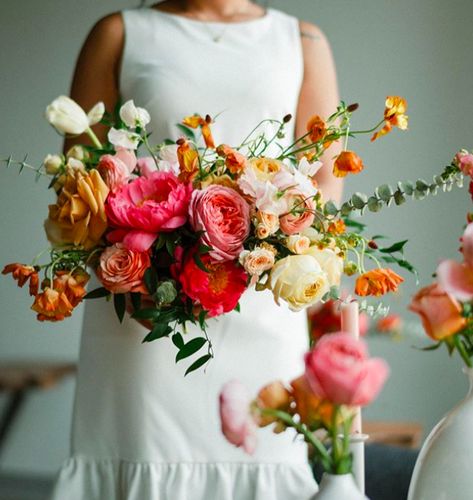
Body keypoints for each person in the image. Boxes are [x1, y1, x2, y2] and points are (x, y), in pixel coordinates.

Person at [50, 1, 343, 498]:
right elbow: (78, 180)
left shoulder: (302, 40)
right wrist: (137, 272)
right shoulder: (120, 33)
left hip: (262, 296)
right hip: (146, 303)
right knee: (146, 452)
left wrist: (270, 244)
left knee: (261, 449)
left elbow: (326, 180)